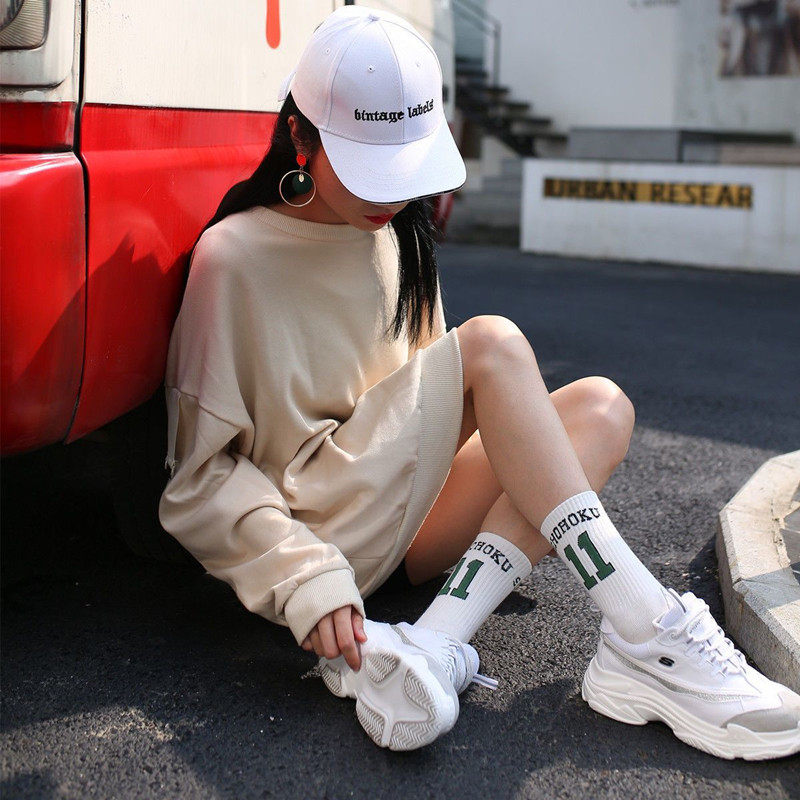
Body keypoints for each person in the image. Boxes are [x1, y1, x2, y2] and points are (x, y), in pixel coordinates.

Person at [158, 5, 800, 759]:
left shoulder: (392, 235)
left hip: (402, 517)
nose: (391, 196)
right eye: (371, 169)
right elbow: (199, 478)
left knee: (601, 408)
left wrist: (535, 495)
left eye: (404, 168)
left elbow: (426, 411)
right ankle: (645, 625)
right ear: (300, 137)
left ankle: (435, 640)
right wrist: (304, 578)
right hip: (322, 538)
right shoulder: (235, 258)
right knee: (492, 343)